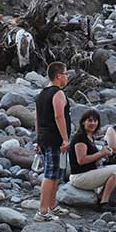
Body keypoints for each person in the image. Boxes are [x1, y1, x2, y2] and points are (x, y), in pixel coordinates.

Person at [34, 61, 71, 221]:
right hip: (55, 138)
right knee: (50, 173)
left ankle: (52, 205)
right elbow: (59, 115)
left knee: (56, 172)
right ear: (58, 76)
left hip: (44, 137)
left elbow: (37, 119)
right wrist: (65, 138)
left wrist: (37, 139)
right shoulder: (58, 93)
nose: (67, 77)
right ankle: (42, 211)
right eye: (65, 74)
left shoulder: (41, 94)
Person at [67, 110, 116, 206]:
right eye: (90, 120)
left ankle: (103, 197)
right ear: (83, 122)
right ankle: (103, 201)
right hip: (79, 176)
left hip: (88, 172)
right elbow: (81, 160)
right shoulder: (80, 137)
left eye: (95, 121)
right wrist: (101, 153)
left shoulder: (90, 137)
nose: (93, 123)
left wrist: (104, 155)